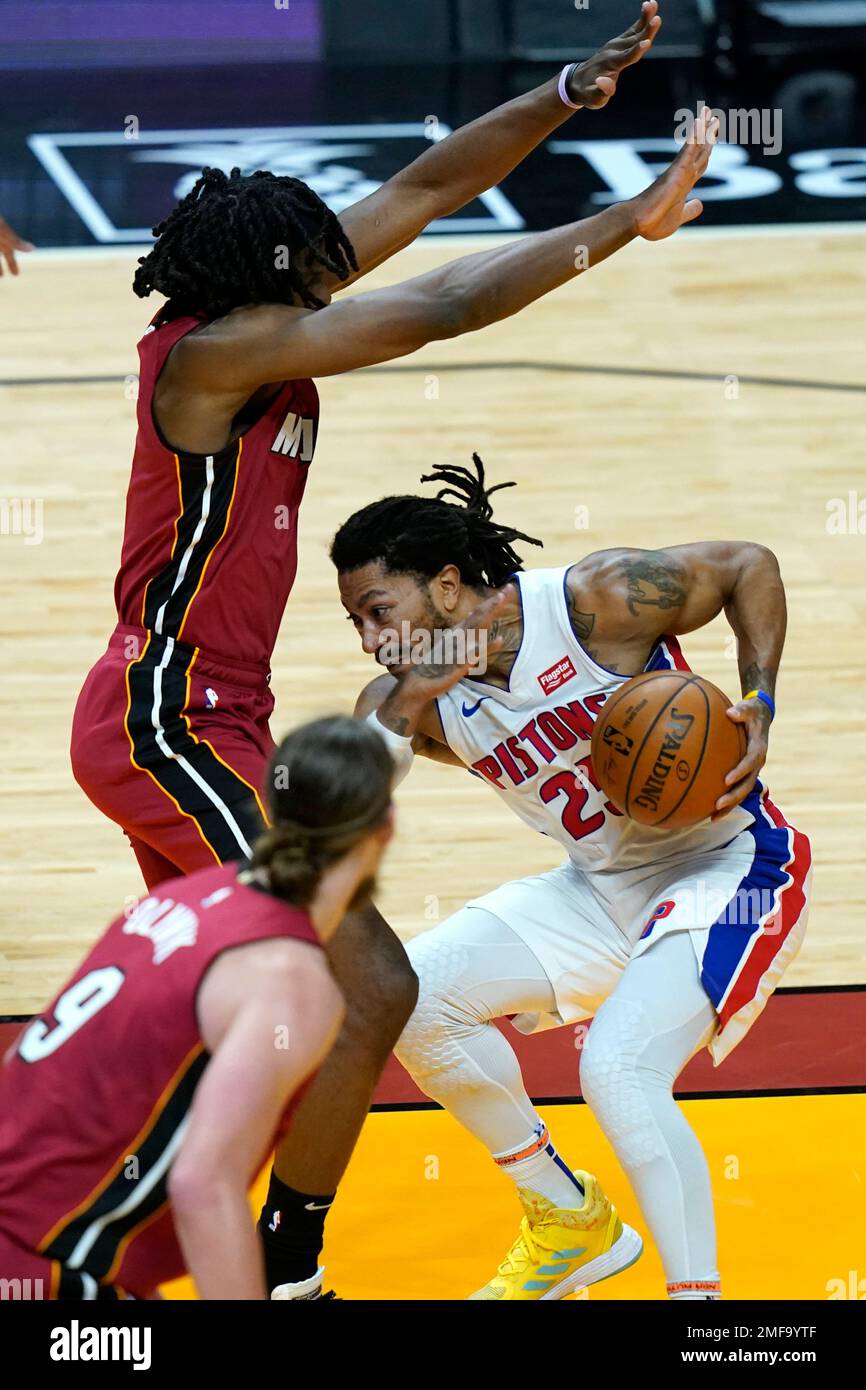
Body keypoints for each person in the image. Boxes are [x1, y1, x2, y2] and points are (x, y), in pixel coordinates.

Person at [68, 4, 715, 1296]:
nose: (330, 271)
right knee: (366, 985)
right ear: (264, 283)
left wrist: (563, 96)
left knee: (247, 998)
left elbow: (421, 190)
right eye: (308, 267)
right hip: (167, 719)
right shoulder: (212, 358)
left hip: (220, 718)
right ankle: (287, 1265)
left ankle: (120, 1250)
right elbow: (441, 304)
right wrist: (616, 225)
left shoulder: (262, 308)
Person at [330, 456, 812, 1300]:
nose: (371, 639)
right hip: (600, 890)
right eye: (357, 624)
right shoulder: (414, 701)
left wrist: (758, 702)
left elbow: (748, 566)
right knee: (411, 999)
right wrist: (416, 691)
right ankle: (568, 1220)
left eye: (379, 612)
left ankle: (702, 1310)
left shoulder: (593, 601)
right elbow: (344, 793)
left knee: (618, 1068)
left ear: (446, 586)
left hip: (728, 866)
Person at [0, 716, 394, 1300]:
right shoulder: (292, 980)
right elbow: (203, 1184)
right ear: (384, 829)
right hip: (38, 1265)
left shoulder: (182, 896)